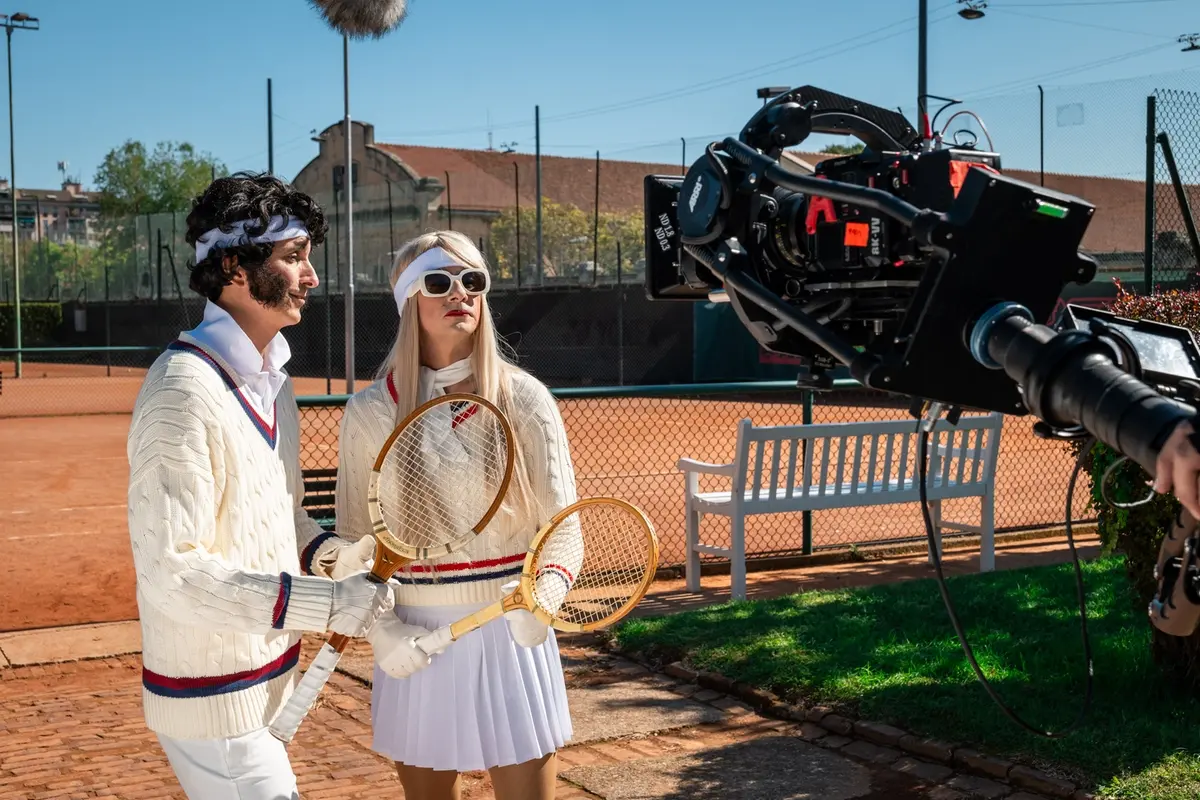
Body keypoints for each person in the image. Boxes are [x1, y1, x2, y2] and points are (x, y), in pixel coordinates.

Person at [126, 172, 395, 800]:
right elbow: (173, 571)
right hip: (212, 698)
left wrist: (335, 559)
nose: (312, 277)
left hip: (267, 679)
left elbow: (283, 515)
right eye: (293, 257)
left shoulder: (273, 381)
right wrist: (326, 605)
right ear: (234, 267)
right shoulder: (181, 389)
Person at [327, 230, 576, 799]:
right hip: (415, 638)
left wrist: (546, 600)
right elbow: (352, 543)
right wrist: (383, 629)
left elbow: (564, 524)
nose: (459, 293)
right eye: (438, 282)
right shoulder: (369, 412)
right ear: (409, 299)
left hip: (514, 634)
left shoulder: (526, 398)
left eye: (474, 282)